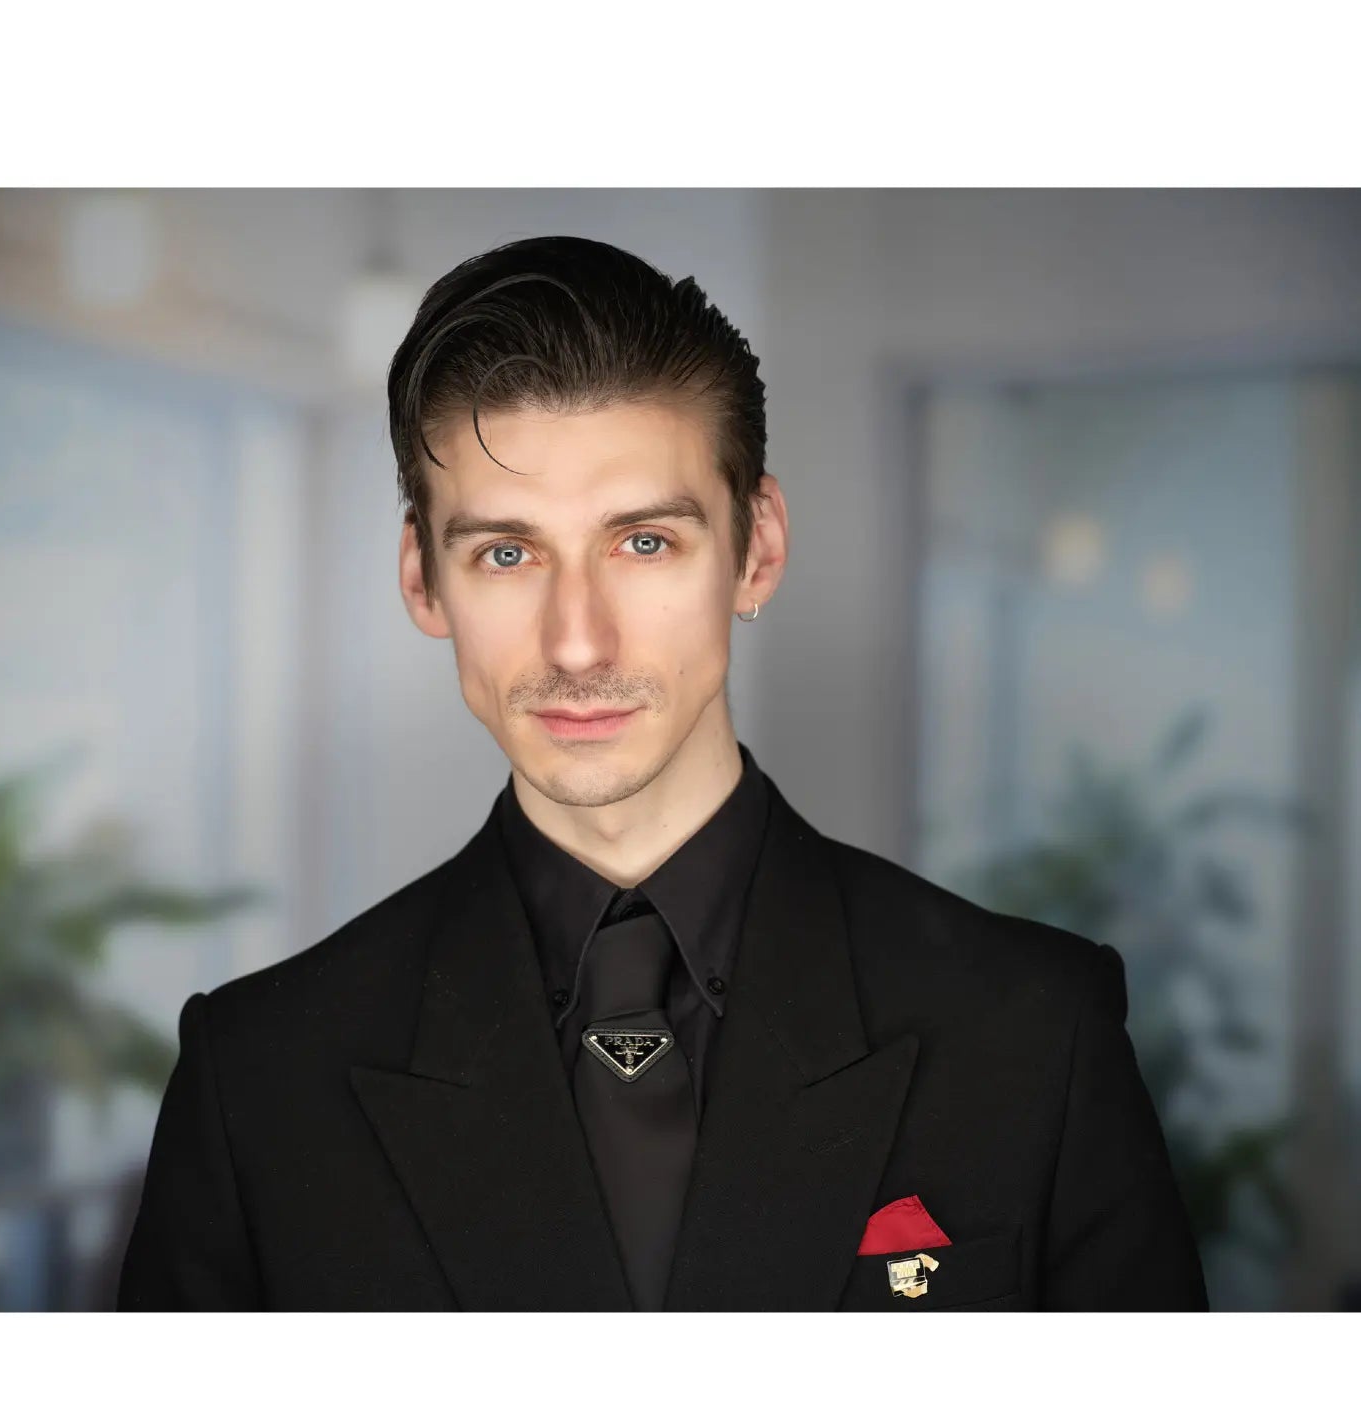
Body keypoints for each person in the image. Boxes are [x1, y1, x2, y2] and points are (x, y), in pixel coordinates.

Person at [116, 235, 1207, 1312]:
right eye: (507, 552)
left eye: (643, 543)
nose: (578, 643)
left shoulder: (1032, 1033)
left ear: (758, 547)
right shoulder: (257, 1081)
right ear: (422, 577)